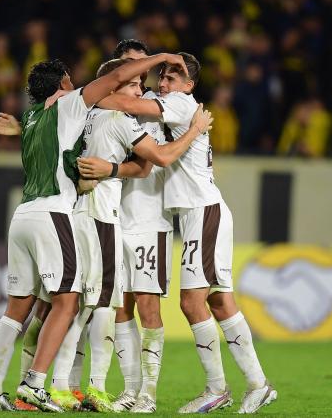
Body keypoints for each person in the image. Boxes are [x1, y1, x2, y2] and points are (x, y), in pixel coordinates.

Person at [0, 53, 189, 412]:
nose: (76, 85)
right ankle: (38, 383)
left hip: (22, 217)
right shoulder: (73, 106)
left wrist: (15, 128)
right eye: (70, 80)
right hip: (55, 214)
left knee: (18, 308)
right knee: (70, 301)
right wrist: (163, 57)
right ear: (62, 84)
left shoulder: (31, 118)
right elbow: (117, 78)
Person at [79, 52, 277, 414]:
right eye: (163, 76)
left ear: (189, 85)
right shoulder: (178, 107)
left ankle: (218, 388)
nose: (164, 82)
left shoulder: (182, 104)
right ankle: (257, 385)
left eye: (173, 77)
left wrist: (90, 95)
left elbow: (121, 100)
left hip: (203, 211)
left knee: (191, 302)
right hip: (193, 215)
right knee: (219, 302)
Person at [48, 57, 211, 413]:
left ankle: (146, 395)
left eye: (145, 76)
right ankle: (122, 390)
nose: (145, 82)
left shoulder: (159, 109)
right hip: (112, 218)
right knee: (112, 307)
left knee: (141, 305)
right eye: (135, 77)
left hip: (149, 221)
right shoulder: (118, 112)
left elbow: (153, 161)